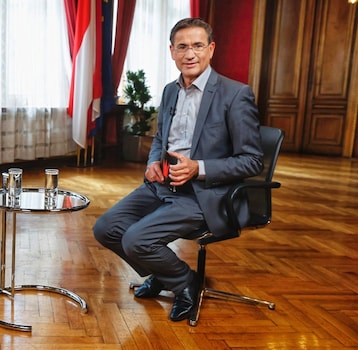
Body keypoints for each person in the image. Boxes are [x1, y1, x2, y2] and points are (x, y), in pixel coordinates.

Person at [93, 18, 263, 322]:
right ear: (171, 51)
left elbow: (252, 160)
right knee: (106, 228)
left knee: (136, 240)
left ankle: (186, 283)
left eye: (198, 45)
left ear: (211, 49)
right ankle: (164, 274)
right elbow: (161, 138)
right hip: (162, 185)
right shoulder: (171, 91)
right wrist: (151, 164)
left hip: (204, 194)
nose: (190, 54)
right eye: (182, 47)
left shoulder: (236, 95)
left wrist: (198, 167)